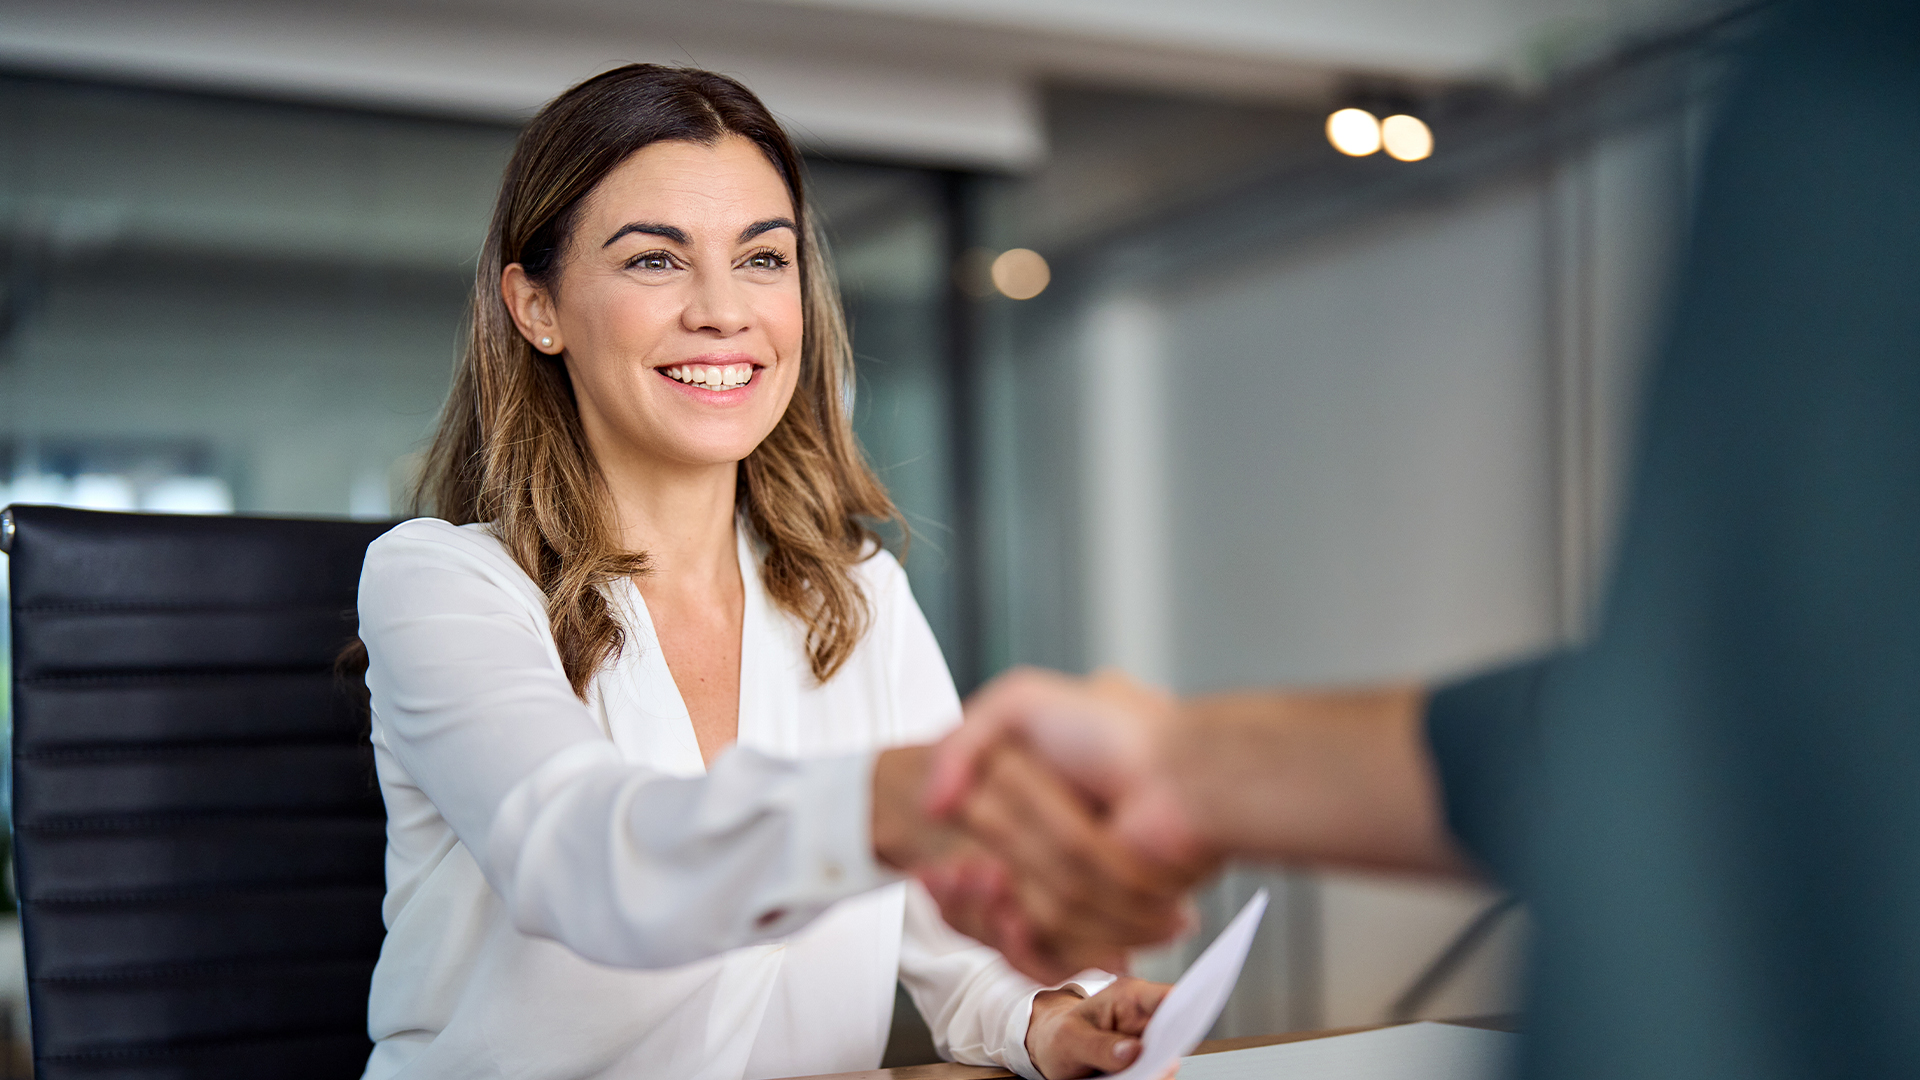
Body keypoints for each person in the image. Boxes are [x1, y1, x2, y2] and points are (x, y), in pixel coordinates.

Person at [927, 1, 1920, 1077]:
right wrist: (1188, 764)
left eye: (769, 259)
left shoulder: (1852, 105)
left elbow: (1734, 760)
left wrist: (1179, 778)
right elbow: (1736, 715)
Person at [353, 64, 1179, 1080]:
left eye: (762, 258)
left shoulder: (855, 592)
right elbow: (579, 862)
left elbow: (944, 926)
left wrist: (1046, 1014)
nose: (722, 311)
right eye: (655, 261)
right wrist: (881, 803)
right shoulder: (441, 583)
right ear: (538, 308)